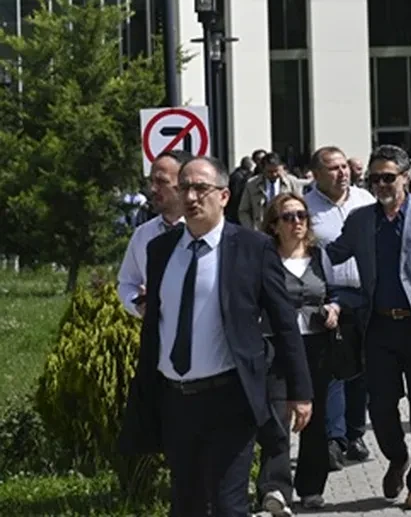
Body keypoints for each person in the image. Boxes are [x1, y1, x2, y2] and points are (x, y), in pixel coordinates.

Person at [118, 156, 313, 517]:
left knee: (228, 504)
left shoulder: (252, 248)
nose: (191, 197)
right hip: (175, 399)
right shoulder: (160, 250)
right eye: (184, 188)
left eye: (201, 189)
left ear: (223, 196)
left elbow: (284, 322)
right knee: (186, 504)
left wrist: (300, 392)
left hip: (229, 397)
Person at [326, 145, 411, 511]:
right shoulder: (360, 220)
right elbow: (332, 254)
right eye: (375, 178)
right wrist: (284, 248)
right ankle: (397, 457)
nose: (381, 184)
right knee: (381, 408)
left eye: (388, 177)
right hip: (379, 327)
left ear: (406, 178)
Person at [257, 194, 342, 514]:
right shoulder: (264, 258)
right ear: (274, 225)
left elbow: (333, 292)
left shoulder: (320, 256)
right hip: (276, 346)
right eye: (288, 217)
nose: (297, 222)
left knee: (315, 418)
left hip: (315, 344)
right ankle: (275, 489)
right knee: (277, 417)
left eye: (302, 215)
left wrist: (334, 307)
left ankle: (311, 487)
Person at [303, 145, 377, 468]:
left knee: (362, 367)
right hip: (330, 297)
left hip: (367, 294)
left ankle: (355, 433)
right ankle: (334, 439)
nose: (342, 173)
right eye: (333, 168)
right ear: (317, 174)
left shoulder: (366, 201)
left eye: (344, 166)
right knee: (334, 368)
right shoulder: (305, 209)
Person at [118, 150, 191, 318]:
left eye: (161, 181)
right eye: (151, 181)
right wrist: (138, 305)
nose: (152, 189)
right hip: (160, 337)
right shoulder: (143, 234)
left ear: (183, 185)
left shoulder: (208, 233)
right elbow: (127, 283)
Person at [239, 153, 307, 231]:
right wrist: (251, 229)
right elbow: (243, 211)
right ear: (263, 169)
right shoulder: (252, 184)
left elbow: (301, 207)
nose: (274, 174)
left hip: (286, 229)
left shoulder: (292, 182)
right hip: (261, 229)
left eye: (276, 171)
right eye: (270, 172)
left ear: (282, 168)